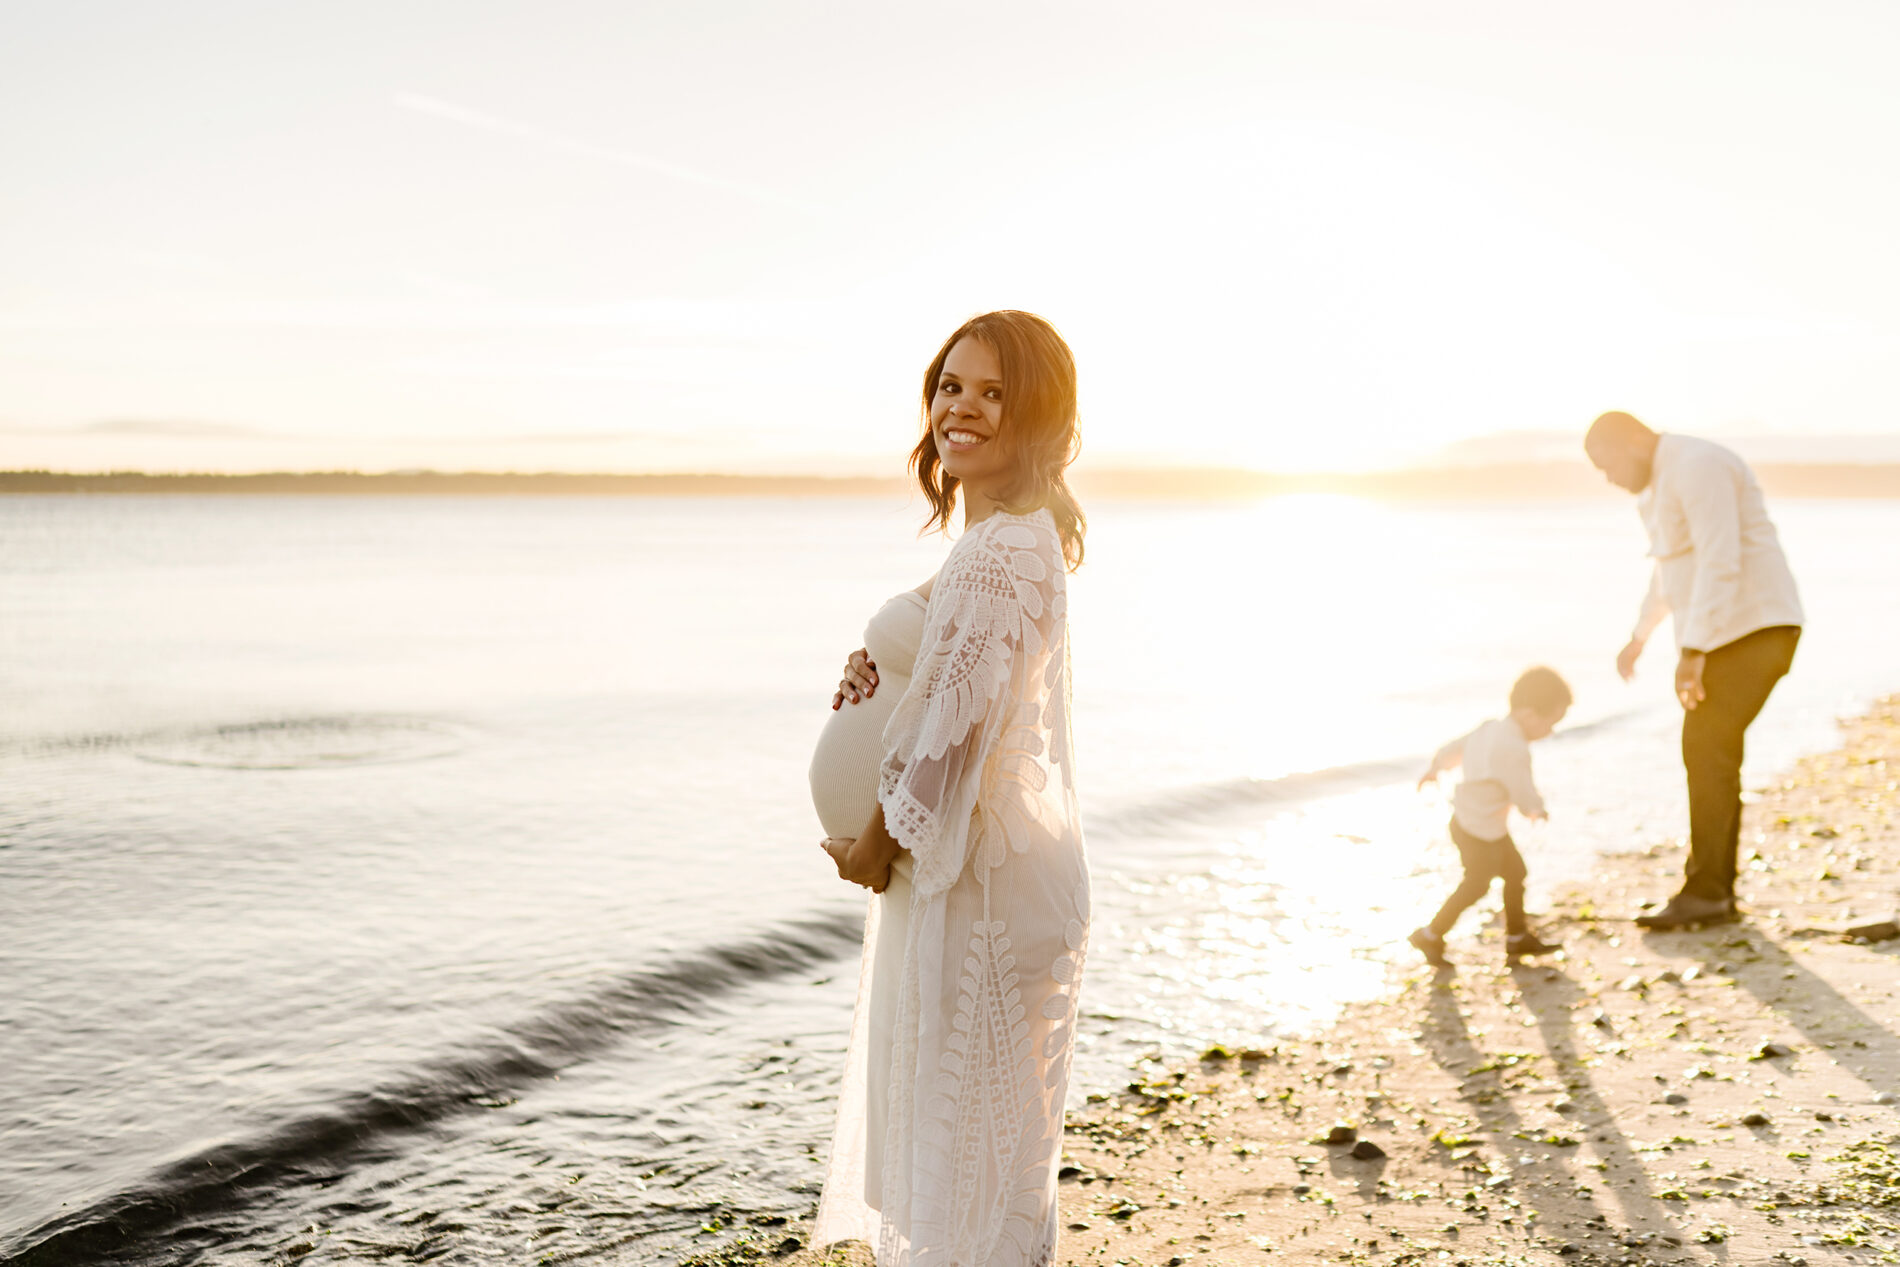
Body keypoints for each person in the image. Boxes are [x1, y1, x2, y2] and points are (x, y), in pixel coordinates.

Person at [807, 310, 1090, 1267]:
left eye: (993, 392)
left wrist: (871, 846)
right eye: (950, 386)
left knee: (961, 1189)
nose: (960, 409)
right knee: (970, 1172)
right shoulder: (1002, 535)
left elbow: (953, 745)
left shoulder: (1005, 548)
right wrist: (878, 660)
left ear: (1038, 415)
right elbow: (950, 677)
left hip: (978, 897)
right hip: (978, 890)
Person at [1584, 411, 1803, 930]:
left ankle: (1708, 891)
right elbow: (1670, 572)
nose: (1608, 478)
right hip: (1726, 636)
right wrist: (1640, 636)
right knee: (1710, 751)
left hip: (1759, 627)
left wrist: (1693, 648)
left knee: (1706, 748)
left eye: (1608, 464)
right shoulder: (1656, 488)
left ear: (1636, 440)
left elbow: (1720, 557)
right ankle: (1714, 891)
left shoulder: (1697, 465)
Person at [1408, 667, 1572, 968]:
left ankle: (1517, 937)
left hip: (1472, 823)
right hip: (1480, 830)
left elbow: (1453, 749)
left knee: (1515, 872)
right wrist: (1536, 809)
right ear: (1527, 714)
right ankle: (1430, 934)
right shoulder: (1514, 748)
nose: (1550, 731)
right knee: (1477, 884)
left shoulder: (1489, 728)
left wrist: (1436, 767)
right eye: (1550, 722)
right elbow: (1522, 789)